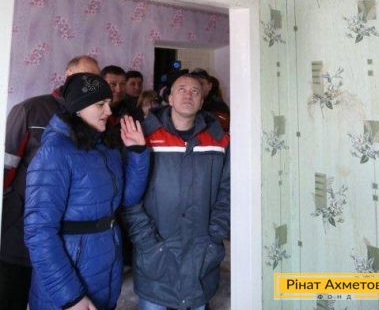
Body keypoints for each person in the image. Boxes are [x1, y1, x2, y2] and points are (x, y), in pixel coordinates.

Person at [24, 73, 149, 310]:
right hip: (69, 284)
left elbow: (127, 199)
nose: (109, 111)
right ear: (78, 109)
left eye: (108, 103)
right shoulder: (55, 152)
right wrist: (70, 297)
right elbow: (39, 232)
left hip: (105, 270)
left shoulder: (105, 146)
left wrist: (138, 153)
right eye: (100, 104)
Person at [0, 55, 100, 310]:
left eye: (93, 78)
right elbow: (6, 169)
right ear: (67, 76)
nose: (88, 83)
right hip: (20, 230)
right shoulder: (31, 110)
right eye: (82, 76)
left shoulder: (94, 116)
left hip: (67, 239)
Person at [123, 73, 230, 310]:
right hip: (154, 258)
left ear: (202, 102)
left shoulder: (219, 141)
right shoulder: (143, 137)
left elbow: (227, 193)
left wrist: (214, 236)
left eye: (195, 91)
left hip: (201, 258)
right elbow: (130, 198)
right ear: (169, 98)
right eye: (181, 89)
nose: (188, 95)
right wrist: (147, 242)